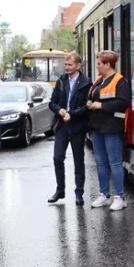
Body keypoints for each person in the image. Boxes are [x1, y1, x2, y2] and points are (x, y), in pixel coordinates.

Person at [86, 50, 130, 211]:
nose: (97, 66)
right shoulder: (99, 80)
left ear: (107, 64)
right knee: (100, 162)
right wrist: (89, 103)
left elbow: (123, 102)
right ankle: (104, 195)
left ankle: (120, 197)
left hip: (112, 126)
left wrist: (101, 106)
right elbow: (92, 97)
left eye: (99, 63)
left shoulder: (120, 81)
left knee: (115, 162)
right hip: (98, 126)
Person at [46, 52, 91, 205]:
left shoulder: (86, 83)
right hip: (62, 125)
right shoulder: (61, 81)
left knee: (78, 160)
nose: (67, 67)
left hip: (77, 125)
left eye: (70, 65)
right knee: (57, 158)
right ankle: (60, 191)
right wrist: (59, 110)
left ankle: (79, 193)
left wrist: (72, 114)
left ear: (78, 65)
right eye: (66, 64)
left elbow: (86, 107)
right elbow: (52, 102)